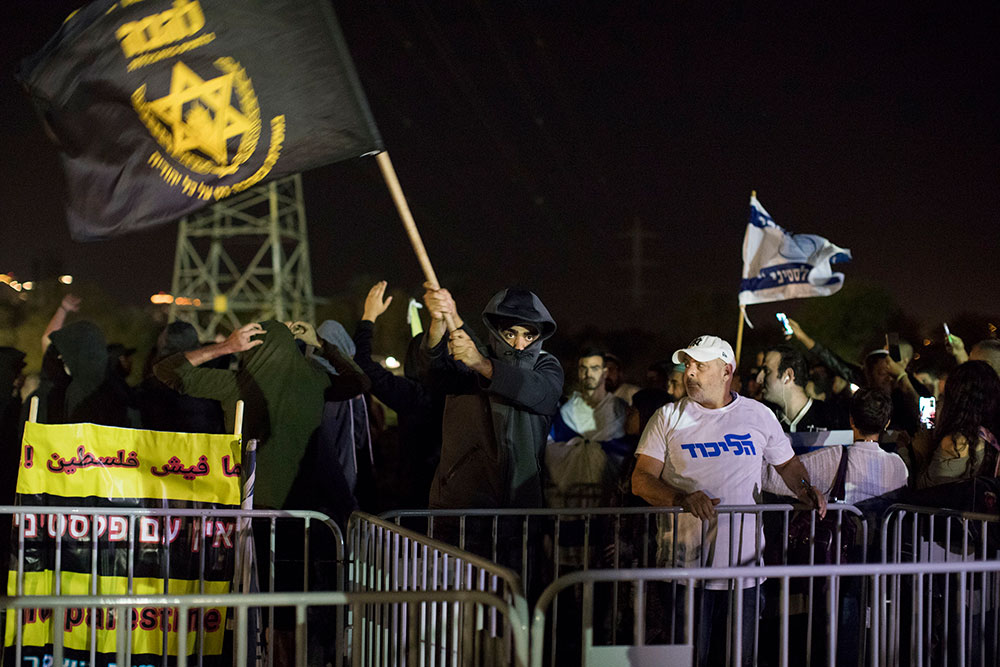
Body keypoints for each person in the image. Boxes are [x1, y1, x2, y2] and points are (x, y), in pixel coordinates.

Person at [631, 335, 825, 665]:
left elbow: (788, 465)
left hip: (745, 572)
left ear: (726, 371)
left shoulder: (759, 414)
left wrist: (806, 489)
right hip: (685, 573)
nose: (689, 372)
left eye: (699, 366)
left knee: (740, 659)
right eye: (687, 365)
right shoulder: (666, 417)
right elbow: (640, 480)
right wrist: (681, 497)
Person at [154, 320, 370, 509]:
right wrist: (321, 345)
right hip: (305, 506)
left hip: (248, 502)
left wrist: (226, 347)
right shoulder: (315, 383)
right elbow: (360, 382)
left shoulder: (236, 384)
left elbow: (166, 371)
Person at [419, 284, 562, 509]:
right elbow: (432, 372)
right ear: (495, 332)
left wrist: (481, 364)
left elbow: (539, 392)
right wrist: (438, 322)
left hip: (522, 509)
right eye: (510, 333)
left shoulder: (547, 366)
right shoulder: (467, 360)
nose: (519, 344)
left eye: (529, 335)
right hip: (461, 509)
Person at [352, 281, 442, 510]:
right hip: (455, 498)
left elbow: (362, 364)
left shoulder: (413, 397)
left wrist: (368, 318)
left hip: (417, 493)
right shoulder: (463, 387)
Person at [762, 388, 907, 503]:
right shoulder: (898, 465)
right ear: (886, 423)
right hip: (884, 540)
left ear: (851, 421)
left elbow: (776, 478)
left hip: (843, 539)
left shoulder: (836, 458)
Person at [545, 348, 628, 506]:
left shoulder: (620, 410)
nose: (588, 373)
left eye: (594, 368)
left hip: (609, 503)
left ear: (605, 372)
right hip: (570, 500)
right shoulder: (566, 412)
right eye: (583, 368)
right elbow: (550, 451)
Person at [912, 360, 1000, 489]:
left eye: (943, 397)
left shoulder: (957, 442)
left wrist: (918, 452)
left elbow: (927, 492)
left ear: (956, 400)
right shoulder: (990, 435)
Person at [756, 343, 847, 431]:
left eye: (766, 371)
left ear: (788, 376)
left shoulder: (834, 419)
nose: (758, 379)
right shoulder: (761, 421)